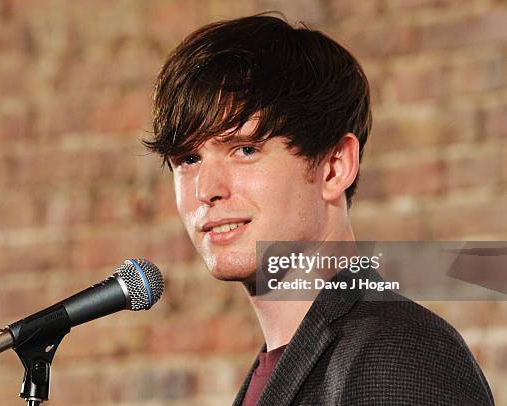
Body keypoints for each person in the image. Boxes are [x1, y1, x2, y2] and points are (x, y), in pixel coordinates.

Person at [143, 13, 494, 406]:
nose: (207, 189)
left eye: (245, 150)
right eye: (189, 159)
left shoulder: (398, 355)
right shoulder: (284, 368)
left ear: (334, 167)